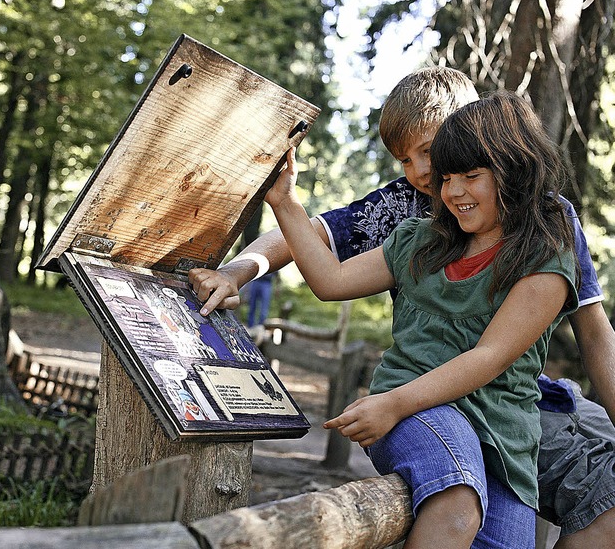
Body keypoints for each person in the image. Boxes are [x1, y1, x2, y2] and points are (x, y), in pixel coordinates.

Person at [188, 67, 615, 547]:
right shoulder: (412, 224)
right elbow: (322, 257)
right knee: (456, 500)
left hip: (513, 411)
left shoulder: (548, 228)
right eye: (409, 161)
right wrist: (245, 258)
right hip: (424, 398)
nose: (431, 179)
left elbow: (581, 336)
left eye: (438, 156)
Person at [269, 91, 580, 547]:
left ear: (513, 170)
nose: (453, 192)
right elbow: (331, 281)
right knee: (454, 506)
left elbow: (489, 357)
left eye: (471, 176)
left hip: (502, 439)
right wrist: (285, 203)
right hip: (416, 409)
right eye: (447, 178)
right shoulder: (421, 241)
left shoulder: (544, 261)